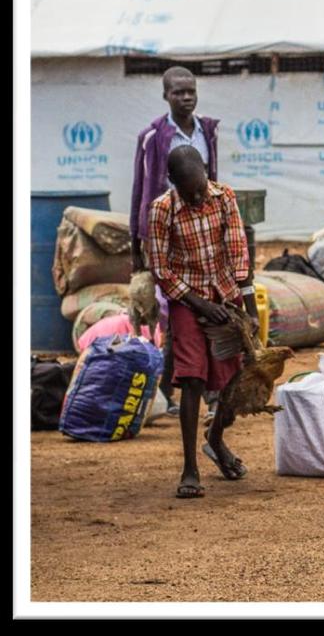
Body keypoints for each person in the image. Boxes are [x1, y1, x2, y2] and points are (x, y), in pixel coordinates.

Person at [147, 146, 259, 499]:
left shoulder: (224, 196)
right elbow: (161, 271)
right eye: (187, 191)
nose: (196, 197)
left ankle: (216, 440)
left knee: (232, 377)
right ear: (171, 182)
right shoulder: (161, 210)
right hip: (186, 299)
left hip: (225, 295)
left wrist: (249, 307)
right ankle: (189, 468)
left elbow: (239, 251)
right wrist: (198, 304)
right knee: (192, 375)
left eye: (199, 188)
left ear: (206, 173)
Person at [130, 66, 221, 417]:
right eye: (178, 92)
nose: (186, 97)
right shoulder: (153, 136)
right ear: (165, 95)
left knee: (207, 305)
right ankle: (175, 392)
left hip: (203, 234)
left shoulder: (207, 132)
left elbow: (213, 182)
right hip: (165, 234)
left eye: (191, 91)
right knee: (173, 311)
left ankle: (191, 394)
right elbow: (141, 188)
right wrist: (137, 246)